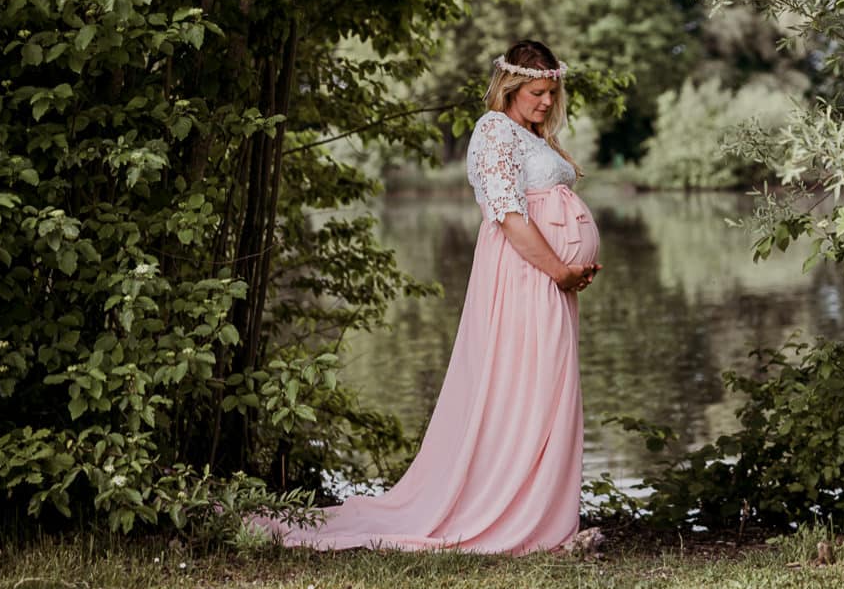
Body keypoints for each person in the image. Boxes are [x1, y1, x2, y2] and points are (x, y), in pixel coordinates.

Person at [246, 39, 601, 554]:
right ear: (510, 88)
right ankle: (513, 518)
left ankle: (544, 520)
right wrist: (559, 269)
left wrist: (568, 271)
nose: (547, 102)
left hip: (550, 282)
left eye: (552, 93)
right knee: (524, 391)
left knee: (547, 395)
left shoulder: (528, 135)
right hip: (526, 278)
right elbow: (508, 215)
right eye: (537, 92)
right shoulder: (494, 130)